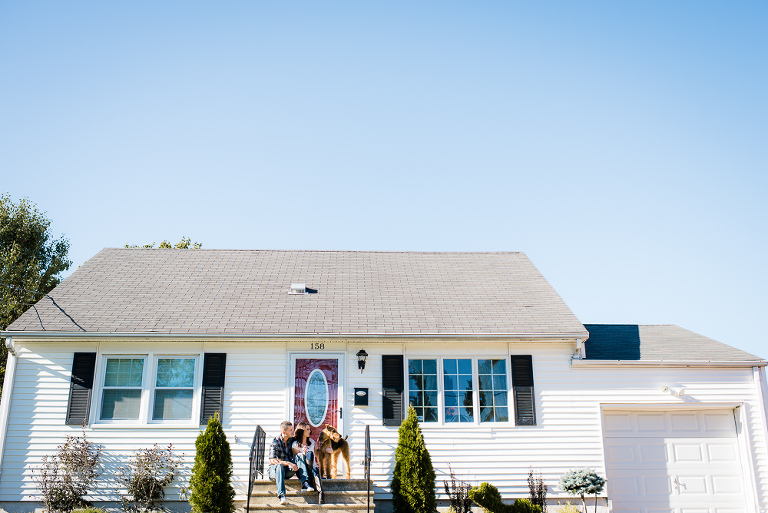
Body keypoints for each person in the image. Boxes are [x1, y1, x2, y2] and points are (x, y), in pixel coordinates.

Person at [268, 421, 313, 504]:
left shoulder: (291, 440)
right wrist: (288, 463)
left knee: (300, 455)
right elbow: (272, 460)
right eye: (291, 430)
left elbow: (301, 436)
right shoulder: (275, 442)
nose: (292, 432)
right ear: (284, 432)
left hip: (287, 470)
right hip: (275, 471)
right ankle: (282, 496)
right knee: (279, 466)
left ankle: (305, 483)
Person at [292, 422, 324, 502]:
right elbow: (298, 461)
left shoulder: (312, 442)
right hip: (303, 473)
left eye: (309, 429)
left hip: (313, 468)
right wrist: (303, 453)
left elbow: (316, 456)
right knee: (308, 456)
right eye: (307, 429)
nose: (310, 431)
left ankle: (321, 494)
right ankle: (319, 492)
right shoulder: (295, 445)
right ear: (302, 431)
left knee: (312, 460)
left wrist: (317, 449)